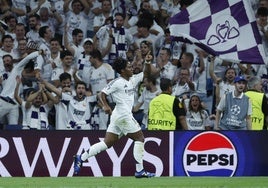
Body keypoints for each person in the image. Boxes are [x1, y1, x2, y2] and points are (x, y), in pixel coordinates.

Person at [73, 56, 155, 178]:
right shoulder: (117, 82)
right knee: (139, 138)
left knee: (107, 143)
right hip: (123, 116)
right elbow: (102, 93)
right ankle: (140, 170)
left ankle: (81, 157)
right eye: (128, 67)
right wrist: (105, 106)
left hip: (118, 116)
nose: (131, 68)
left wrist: (147, 62)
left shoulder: (133, 79)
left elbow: (147, 73)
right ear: (122, 71)